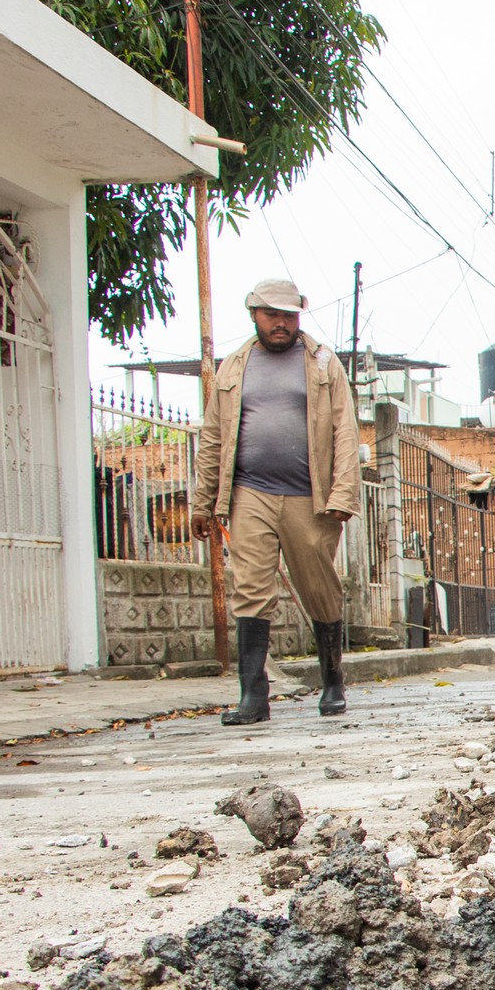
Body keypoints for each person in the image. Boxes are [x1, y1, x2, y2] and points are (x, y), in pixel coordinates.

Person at [191, 277, 357, 726]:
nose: (280, 323)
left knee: (319, 589)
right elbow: (213, 437)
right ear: (254, 315)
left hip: (310, 497)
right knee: (250, 588)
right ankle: (253, 696)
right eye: (272, 315)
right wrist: (203, 502)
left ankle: (332, 678)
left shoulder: (323, 363)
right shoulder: (233, 367)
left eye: (288, 315)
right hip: (249, 493)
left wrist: (343, 493)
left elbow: (345, 431)